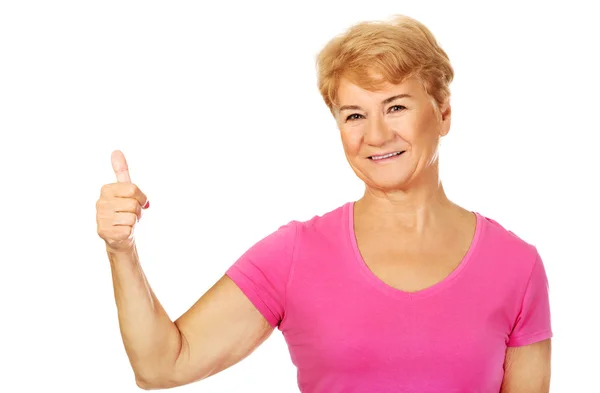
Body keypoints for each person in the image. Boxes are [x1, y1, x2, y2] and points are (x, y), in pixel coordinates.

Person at [96, 14, 552, 393]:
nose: (375, 135)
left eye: (395, 107)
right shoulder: (294, 254)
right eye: (355, 115)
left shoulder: (516, 266)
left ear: (443, 112)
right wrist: (122, 251)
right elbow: (162, 366)